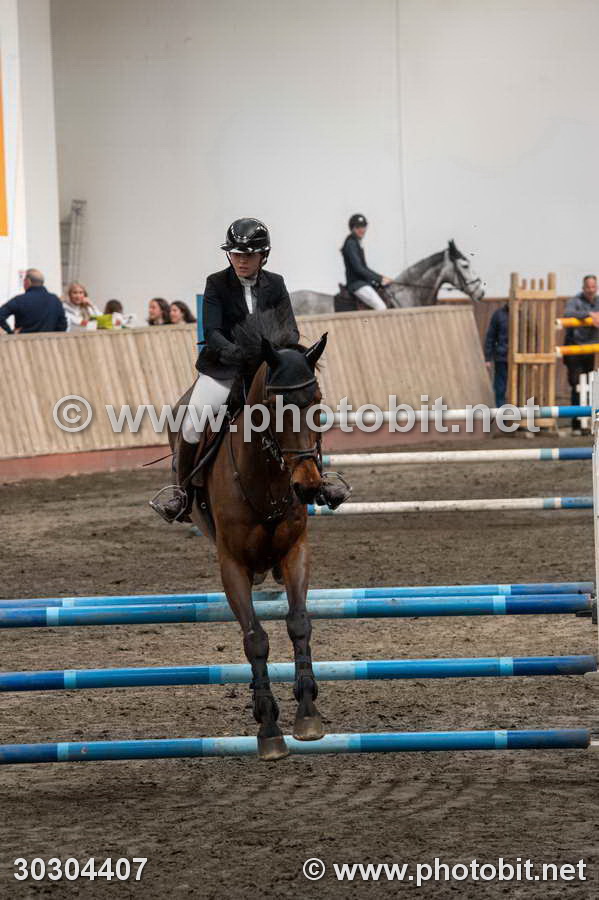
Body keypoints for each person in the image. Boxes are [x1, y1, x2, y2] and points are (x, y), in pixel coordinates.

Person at [150, 217, 350, 523]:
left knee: (301, 412)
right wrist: (235, 352)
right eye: (236, 254)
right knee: (190, 423)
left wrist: (274, 355)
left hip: (267, 369)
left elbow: (290, 330)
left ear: (263, 256)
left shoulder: (276, 283)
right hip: (225, 369)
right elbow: (213, 331)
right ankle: (182, 494)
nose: (241, 260)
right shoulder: (216, 283)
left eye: (249, 255)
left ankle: (319, 481)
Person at [563, 275, 599, 433]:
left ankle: (588, 422)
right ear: (583, 288)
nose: (591, 290)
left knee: (590, 385)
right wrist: (588, 314)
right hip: (574, 349)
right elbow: (567, 313)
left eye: (593, 287)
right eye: (588, 287)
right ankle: (576, 424)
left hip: (591, 350)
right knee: (576, 385)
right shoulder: (575, 301)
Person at [341, 214, 393, 311]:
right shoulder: (350, 243)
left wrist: (379, 279)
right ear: (352, 228)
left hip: (363, 282)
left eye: (363, 227)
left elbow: (365, 268)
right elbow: (359, 268)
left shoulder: (356, 242)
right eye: (358, 227)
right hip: (356, 284)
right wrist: (380, 279)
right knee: (381, 307)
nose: (362, 230)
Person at [0, 269, 67, 334]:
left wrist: (10, 333)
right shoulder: (55, 300)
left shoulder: (19, 300)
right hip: (48, 340)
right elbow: (63, 325)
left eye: (24, 281)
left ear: (28, 281)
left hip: (23, 340)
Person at [484, 303, 509, 406]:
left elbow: (531, 335)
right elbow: (490, 336)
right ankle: (501, 411)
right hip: (501, 356)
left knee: (518, 387)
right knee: (500, 388)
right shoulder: (499, 315)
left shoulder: (523, 314)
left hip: (518, 357)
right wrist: (488, 358)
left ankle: (516, 410)